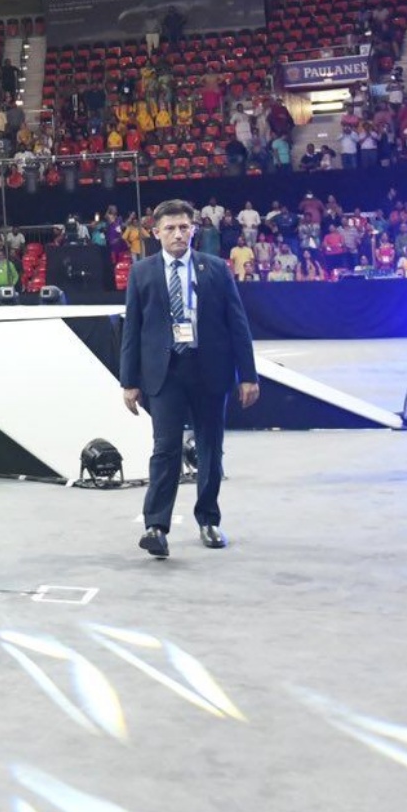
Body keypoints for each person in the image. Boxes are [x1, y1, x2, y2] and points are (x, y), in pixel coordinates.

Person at [115, 200, 257, 557]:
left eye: (184, 227)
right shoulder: (142, 272)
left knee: (210, 447)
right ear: (156, 233)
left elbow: (237, 324)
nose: (178, 234)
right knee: (166, 449)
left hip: (210, 369)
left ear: (193, 229)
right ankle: (155, 527)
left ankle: (209, 519)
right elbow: (132, 329)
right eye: (171, 228)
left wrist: (248, 375)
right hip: (164, 374)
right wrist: (128, 381)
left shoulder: (216, 269)